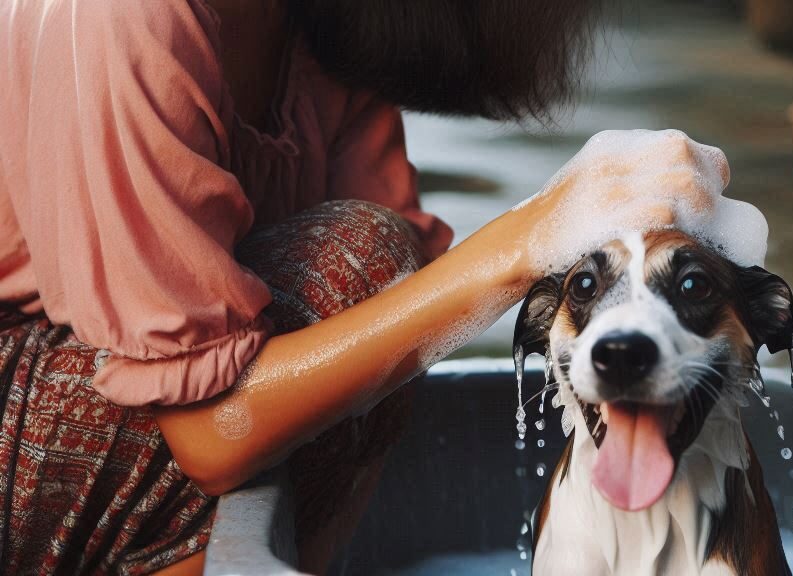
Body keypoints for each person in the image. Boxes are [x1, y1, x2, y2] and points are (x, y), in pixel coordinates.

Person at [0, 0, 695, 573]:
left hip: (139, 406)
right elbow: (209, 436)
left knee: (390, 298)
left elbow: (402, 312)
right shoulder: (121, 16)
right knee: (365, 267)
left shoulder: (321, 27)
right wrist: (522, 242)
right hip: (28, 406)